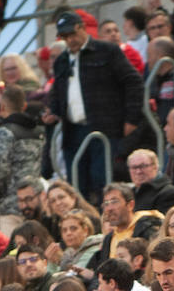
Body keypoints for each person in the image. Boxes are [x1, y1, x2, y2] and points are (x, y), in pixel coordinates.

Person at [48, 13, 144, 202]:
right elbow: (58, 91)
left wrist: (132, 118)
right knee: (77, 186)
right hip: (73, 129)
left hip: (105, 127)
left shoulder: (107, 51)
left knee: (103, 181)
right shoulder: (61, 60)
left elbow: (133, 81)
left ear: (82, 28)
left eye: (72, 34)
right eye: (65, 37)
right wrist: (53, 111)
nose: (70, 40)